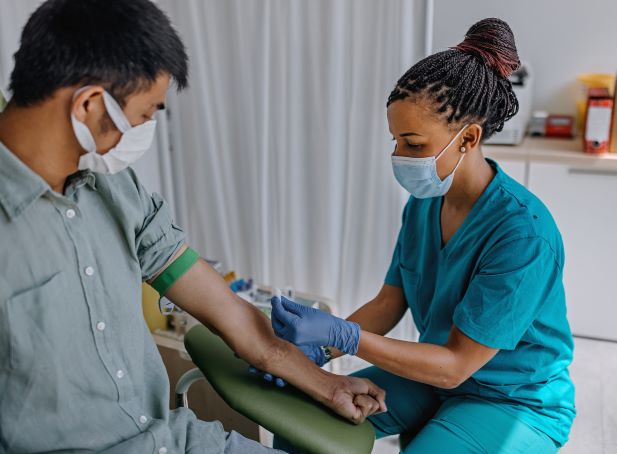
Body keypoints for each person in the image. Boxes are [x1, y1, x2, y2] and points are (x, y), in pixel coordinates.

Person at [0, 1, 385, 452]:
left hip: (172, 440)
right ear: (88, 104)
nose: (143, 132)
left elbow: (233, 319)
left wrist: (328, 385)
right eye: (144, 116)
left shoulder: (116, 189)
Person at [271, 18, 575, 453]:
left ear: (468, 138)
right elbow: (388, 303)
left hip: (512, 398)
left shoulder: (522, 234)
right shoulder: (425, 204)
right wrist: (317, 351)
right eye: (395, 141)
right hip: (433, 375)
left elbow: (455, 366)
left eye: (413, 144)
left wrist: (344, 335)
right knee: (302, 423)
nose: (399, 156)